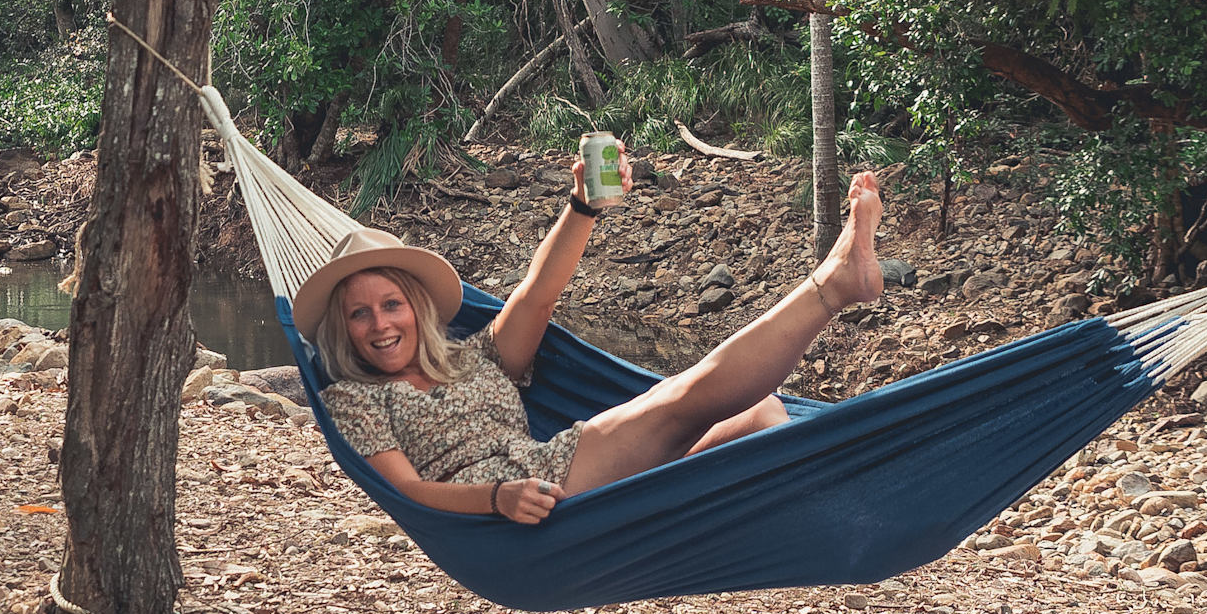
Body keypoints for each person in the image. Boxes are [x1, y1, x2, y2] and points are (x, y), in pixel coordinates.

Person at [302, 154, 884, 525]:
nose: (380, 325)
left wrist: (583, 207)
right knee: (687, 400)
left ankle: (789, 514)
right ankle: (833, 285)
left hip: (557, 474)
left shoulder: (473, 358)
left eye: (391, 305)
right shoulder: (353, 399)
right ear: (341, 328)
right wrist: (497, 497)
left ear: (415, 308)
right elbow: (410, 493)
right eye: (360, 315)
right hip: (522, 507)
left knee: (761, 413)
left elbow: (536, 295)